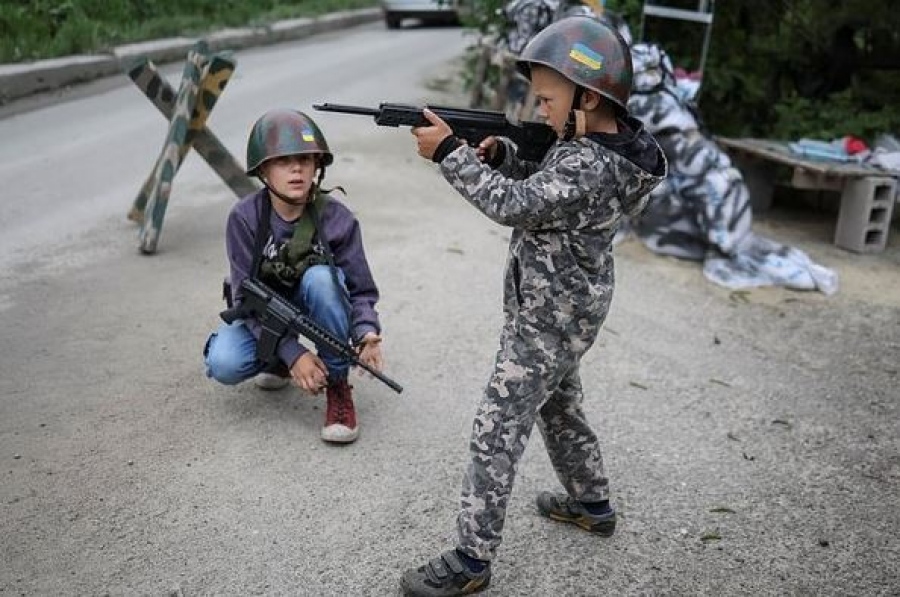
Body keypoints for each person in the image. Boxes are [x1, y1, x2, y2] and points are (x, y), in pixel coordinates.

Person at [399, 16, 667, 596]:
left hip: (547, 320)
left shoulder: (588, 164)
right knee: (559, 406)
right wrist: (503, 156)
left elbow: (515, 206)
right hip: (567, 312)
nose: (539, 110)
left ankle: (471, 560)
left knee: (496, 427)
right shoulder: (595, 150)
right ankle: (592, 503)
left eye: (547, 99)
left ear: (587, 97)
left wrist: (449, 153)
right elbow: (545, 194)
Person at [203, 108, 384, 444]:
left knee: (322, 280)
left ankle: (337, 384)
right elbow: (244, 299)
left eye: (305, 159)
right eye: (283, 161)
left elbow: (361, 291)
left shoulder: (337, 218)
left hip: (314, 305)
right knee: (224, 362)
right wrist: (291, 354)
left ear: (318, 166)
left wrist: (366, 331)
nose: (297, 169)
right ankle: (275, 361)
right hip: (264, 313)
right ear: (263, 170)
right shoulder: (245, 218)